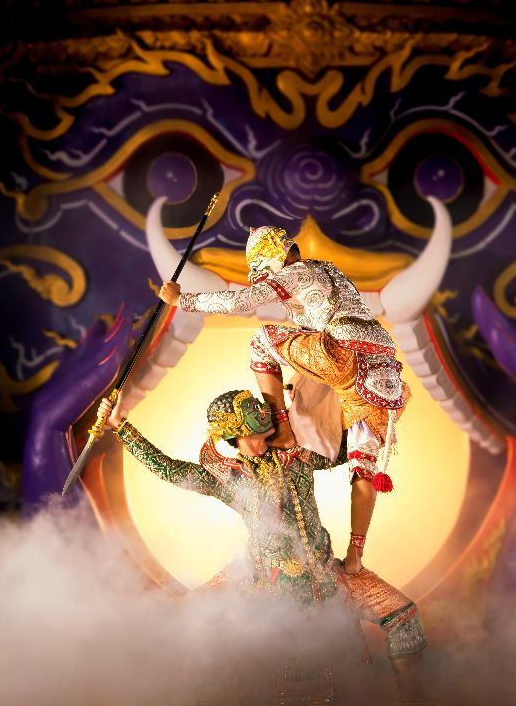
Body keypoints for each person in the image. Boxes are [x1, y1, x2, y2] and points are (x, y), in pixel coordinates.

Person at [99, 389, 426, 704]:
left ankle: (412, 701)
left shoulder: (298, 454)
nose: (261, 440)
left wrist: (381, 408)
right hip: (258, 577)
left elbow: (349, 446)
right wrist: (122, 427)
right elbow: (171, 469)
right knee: (193, 625)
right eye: (252, 435)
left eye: (264, 431)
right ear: (232, 437)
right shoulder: (226, 478)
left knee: (404, 617)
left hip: (325, 569)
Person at [158, 227, 412, 517]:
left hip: (342, 356)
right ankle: (357, 548)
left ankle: (281, 428)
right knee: (363, 460)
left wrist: (182, 300)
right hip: (380, 370)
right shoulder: (328, 271)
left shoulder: (295, 272)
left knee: (262, 341)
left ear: (271, 260)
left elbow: (241, 301)